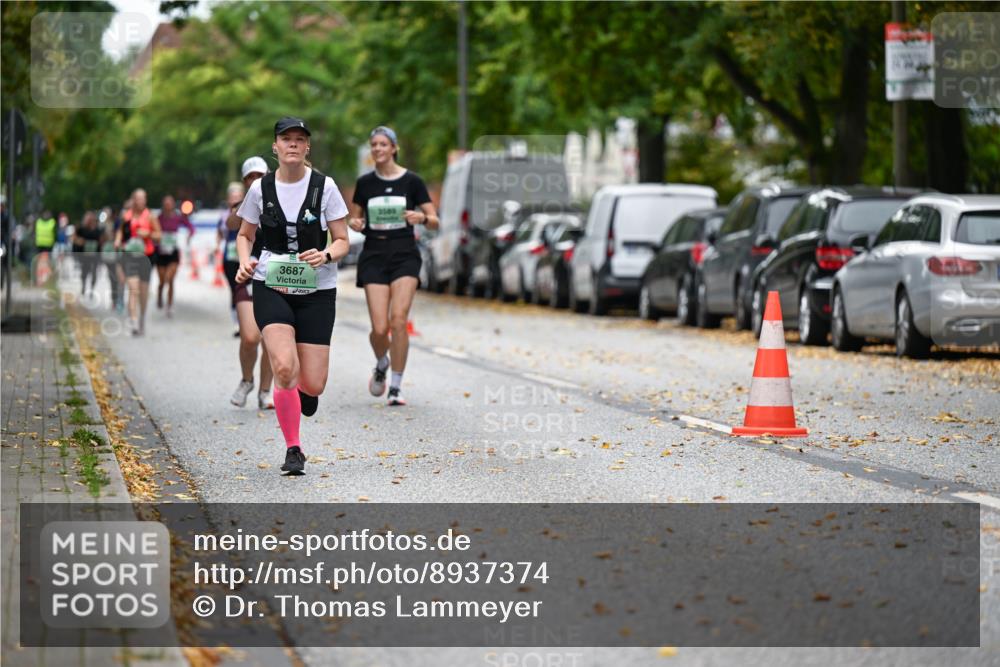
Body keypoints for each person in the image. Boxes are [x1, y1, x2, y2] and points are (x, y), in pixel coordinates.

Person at [235, 117, 349, 475]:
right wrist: (244, 262)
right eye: (287, 139)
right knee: (284, 367)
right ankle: (293, 449)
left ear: (307, 147)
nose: (293, 145)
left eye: (300, 139)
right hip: (271, 284)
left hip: (317, 289)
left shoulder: (324, 186)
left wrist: (327, 254)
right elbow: (245, 234)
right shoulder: (260, 190)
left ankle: (301, 392)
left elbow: (343, 238)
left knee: (312, 382)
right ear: (275, 147)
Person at [348, 126, 438, 407]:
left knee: (399, 320)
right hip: (374, 254)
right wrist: (356, 224)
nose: (377, 149)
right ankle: (382, 361)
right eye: (374, 144)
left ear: (394, 148)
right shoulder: (365, 184)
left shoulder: (412, 181)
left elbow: (435, 220)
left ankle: (396, 386)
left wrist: (420, 217)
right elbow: (355, 219)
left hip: (404, 255)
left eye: (383, 144)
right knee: (379, 328)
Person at [223, 157, 274, 410]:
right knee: (250, 337)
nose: (255, 180)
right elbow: (232, 223)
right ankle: (247, 379)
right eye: (250, 177)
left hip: (276, 275)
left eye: (259, 175)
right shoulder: (242, 206)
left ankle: (266, 391)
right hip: (248, 274)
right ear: (245, 181)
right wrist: (245, 205)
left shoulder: (280, 198)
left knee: (270, 339)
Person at [115, 189, 160, 335]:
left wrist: (149, 234)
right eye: (138, 199)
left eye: (143, 199)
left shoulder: (150, 216)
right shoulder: (126, 216)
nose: (141, 201)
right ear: (133, 200)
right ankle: (133, 321)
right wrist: (117, 240)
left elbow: (159, 235)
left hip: (146, 256)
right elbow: (120, 231)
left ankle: (142, 317)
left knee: (143, 291)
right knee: (133, 288)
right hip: (130, 255)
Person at [155, 195, 195, 317]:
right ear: (163, 205)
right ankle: (160, 292)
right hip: (161, 252)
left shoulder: (178, 217)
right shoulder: (158, 218)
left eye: (170, 203)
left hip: (173, 252)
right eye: (166, 203)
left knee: (170, 279)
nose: (168, 205)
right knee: (162, 280)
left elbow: (191, 227)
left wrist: (189, 236)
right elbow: (152, 230)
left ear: (173, 205)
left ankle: (169, 305)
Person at [72, 211, 103, 297]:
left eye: (92, 219)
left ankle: (92, 290)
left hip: (94, 255)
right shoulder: (81, 229)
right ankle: (84, 286)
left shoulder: (98, 230)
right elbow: (74, 238)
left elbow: (101, 241)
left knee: (94, 273)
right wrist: (80, 241)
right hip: (84, 255)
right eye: (89, 219)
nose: (90, 221)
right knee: (84, 273)